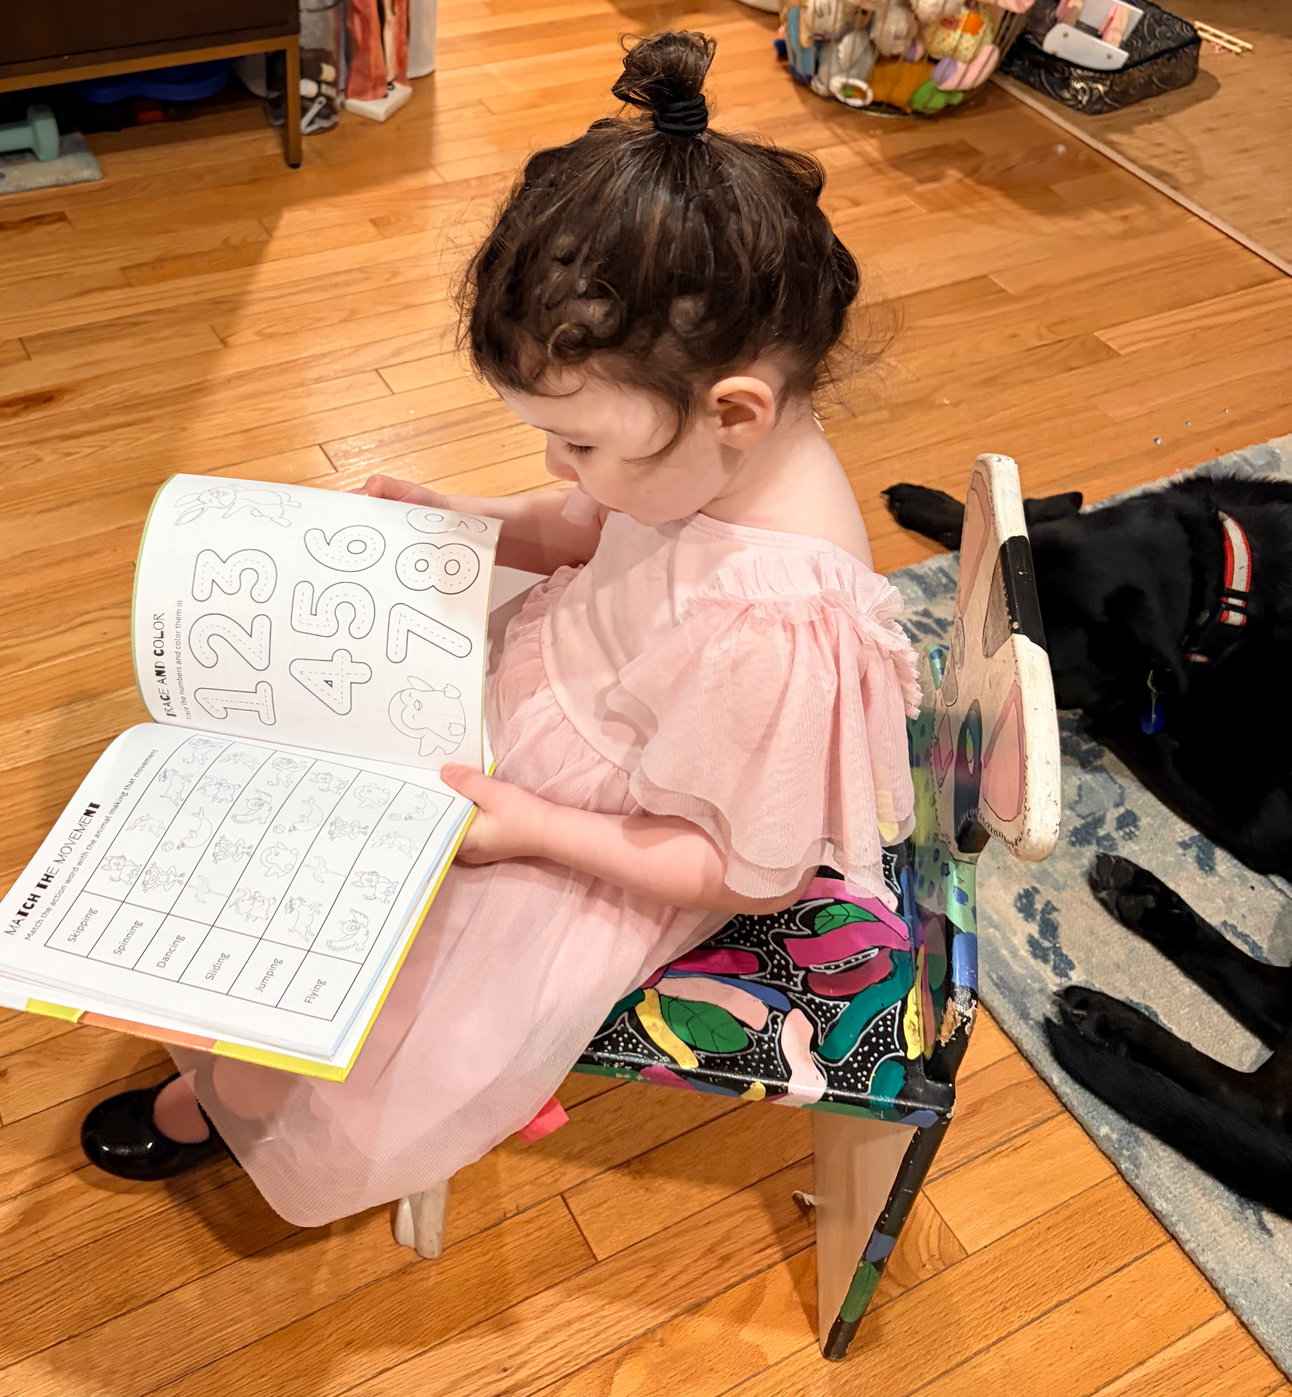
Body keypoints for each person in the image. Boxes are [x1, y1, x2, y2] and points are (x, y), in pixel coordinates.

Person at [80, 30, 920, 1224]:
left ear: (737, 409)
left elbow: (742, 864)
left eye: (580, 440)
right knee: (286, 817)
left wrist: (533, 826)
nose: (559, 463)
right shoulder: (701, 460)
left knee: (385, 981)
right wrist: (454, 514)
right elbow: (586, 529)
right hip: (541, 702)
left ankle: (257, 1098)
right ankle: (232, 1050)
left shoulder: (776, 622)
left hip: (611, 839)